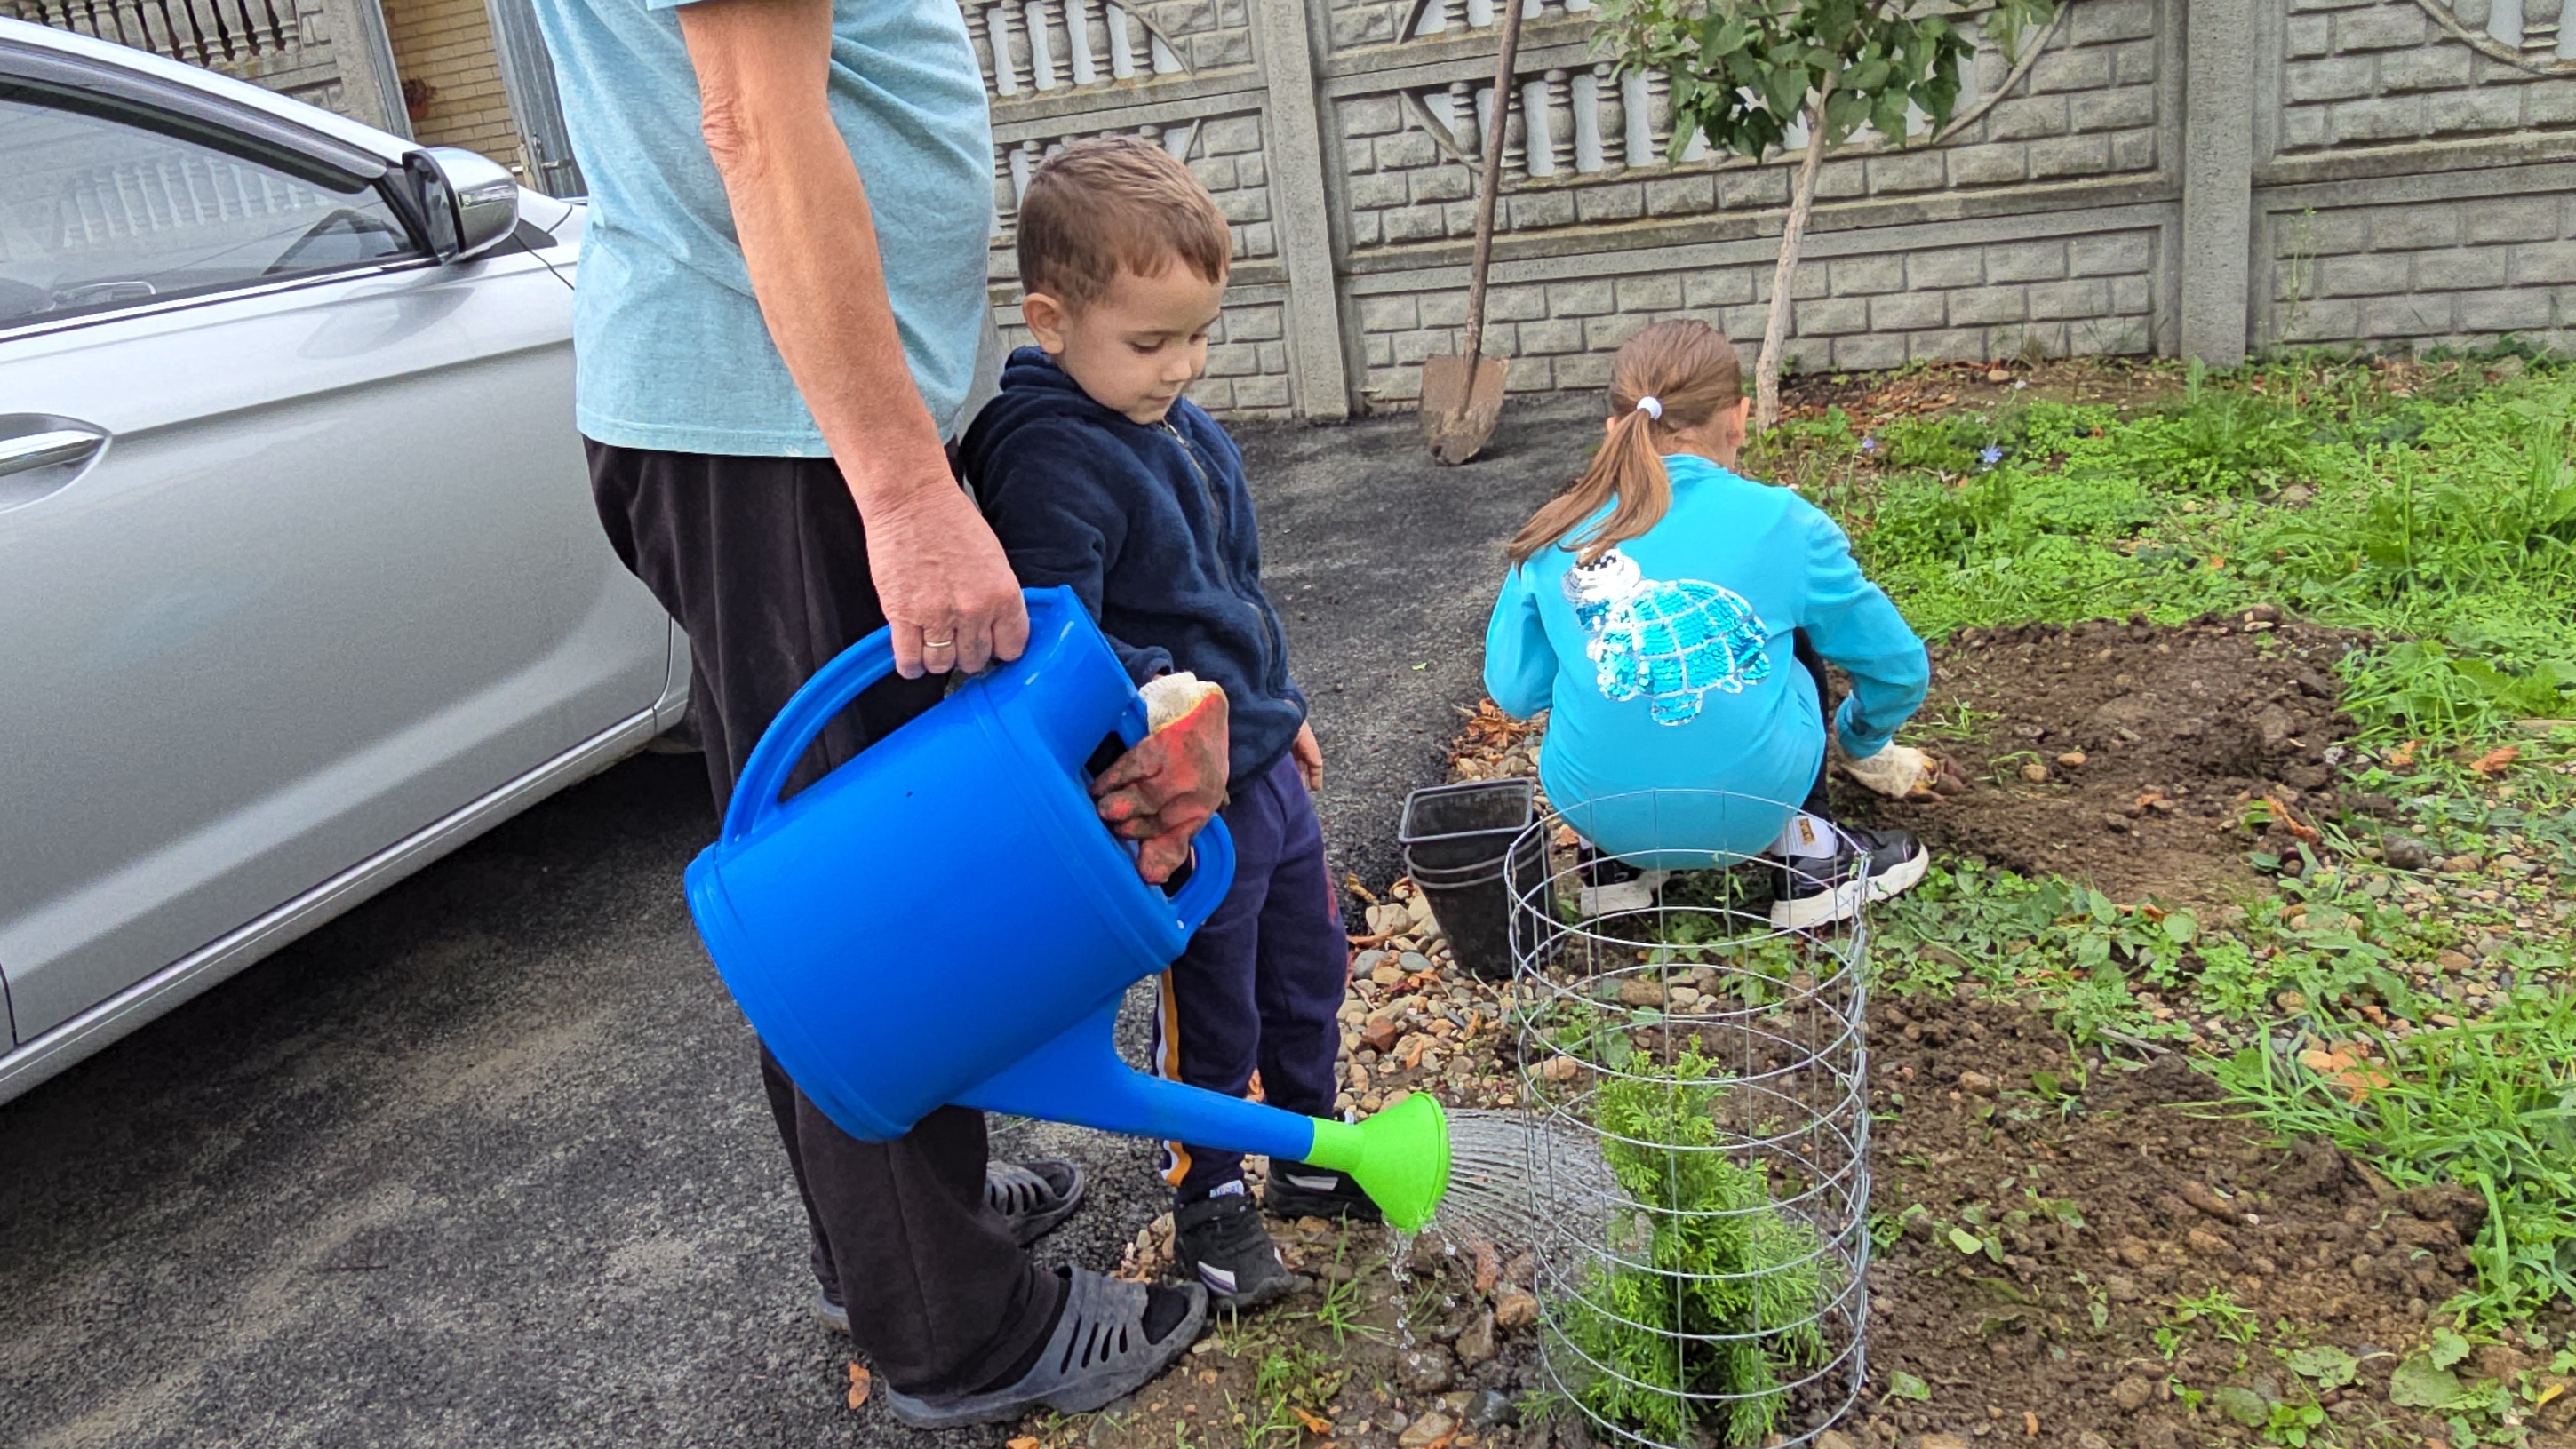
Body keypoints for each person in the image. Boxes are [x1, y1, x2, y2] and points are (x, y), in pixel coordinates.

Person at [522, 0, 1210, 1423]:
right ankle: (957, 1325)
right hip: (783, 423)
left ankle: (897, 1224)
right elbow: (756, 125)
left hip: (794, 405)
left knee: (874, 857)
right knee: (866, 899)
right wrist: (900, 487)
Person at [961, 138, 1377, 1310]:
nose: (1178, 365)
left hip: (1257, 764)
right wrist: (1176, 715)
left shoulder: (1173, 422)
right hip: (1181, 788)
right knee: (1215, 993)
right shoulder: (1045, 453)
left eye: (1197, 335)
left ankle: (1308, 1143)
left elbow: (1228, 591)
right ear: (1049, 318)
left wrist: (1274, 711)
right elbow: (1060, 641)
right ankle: (1209, 1193)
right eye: (1149, 341)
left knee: (1310, 959)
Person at [1481, 320, 1937, 928]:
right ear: (1738, 417)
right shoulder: (1782, 524)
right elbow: (1898, 666)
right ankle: (1810, 862)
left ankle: (1611, 868)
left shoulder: (1554, 529)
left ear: (1613, 425)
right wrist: (1859, 739)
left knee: (1588, 671)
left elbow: (1514, 692)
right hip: (1749, 807)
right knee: (1790, 641)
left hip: (1595, 806)